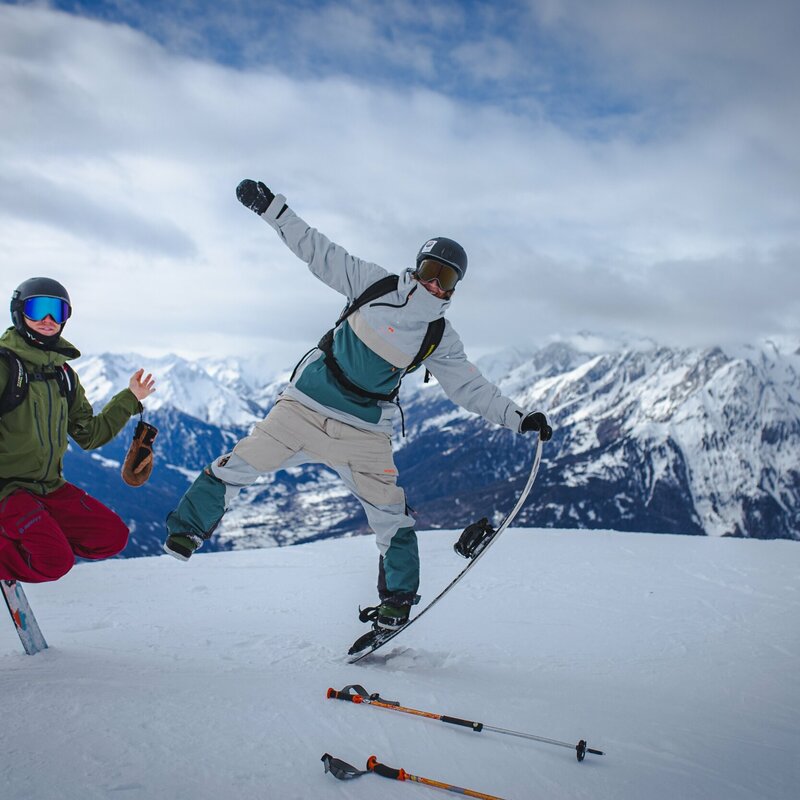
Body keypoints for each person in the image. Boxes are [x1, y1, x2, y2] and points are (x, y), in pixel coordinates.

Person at [164, 180, 552, 651]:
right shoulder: (373, 284)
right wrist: (271, 208)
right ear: (417, 265)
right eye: (430, 270)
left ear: (454, 288)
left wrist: (519, 417)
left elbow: (468, 386)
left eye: (446, 279)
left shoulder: (438, 335)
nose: (434, 283)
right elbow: (316, 249)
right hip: (302, 408)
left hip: (364, 431)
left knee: (391, 515)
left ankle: (396, 605)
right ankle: (186, 531)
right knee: (238, 465)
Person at [0, 277, 156, 583]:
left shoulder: (63, 375)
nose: (48, 319)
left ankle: (19, 541)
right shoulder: (5, 366)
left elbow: (90, 434)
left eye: (57, 311)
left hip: (47, 487)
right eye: (37, 309)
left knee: (111, 537)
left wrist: (130, 398)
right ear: (19, 313)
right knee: (54, 561)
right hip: (5, 489)